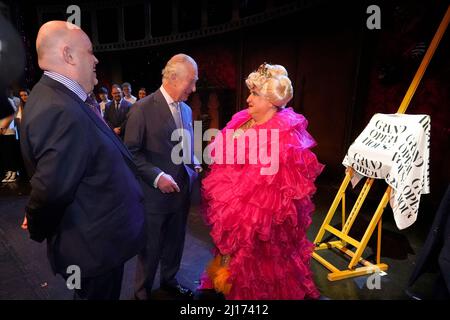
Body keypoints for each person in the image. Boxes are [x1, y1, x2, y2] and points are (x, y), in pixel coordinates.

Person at [20, 20, 145, 300]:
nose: (96, 59)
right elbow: (51, 189)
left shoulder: (64, 99)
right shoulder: (58, 108)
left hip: (98, 242)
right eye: (90, 51)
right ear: (68, 55)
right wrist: (36, 217)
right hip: (93, 248)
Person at [198, 63, 324, 299]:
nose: (248, 99)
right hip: (231, 204)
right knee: (229, 251)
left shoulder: (283, 134)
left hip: (259, 216)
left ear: (270, 101)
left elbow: (275, 190)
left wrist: (247, 213)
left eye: (255, 94)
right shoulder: (242, 121)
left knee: (254, 259)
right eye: (251, 92)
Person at [125, 53, 201, 300]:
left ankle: (169, 281)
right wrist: (157, 177)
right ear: (173, 77)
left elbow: (183, 146)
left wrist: (193, 160)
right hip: (154, 196)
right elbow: (131, 154)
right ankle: (141, 292)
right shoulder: (141, 109)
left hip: (182, 193)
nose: (194, 88)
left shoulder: (187, 110)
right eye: (191, 81)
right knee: (151, 248)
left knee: (175, 243)